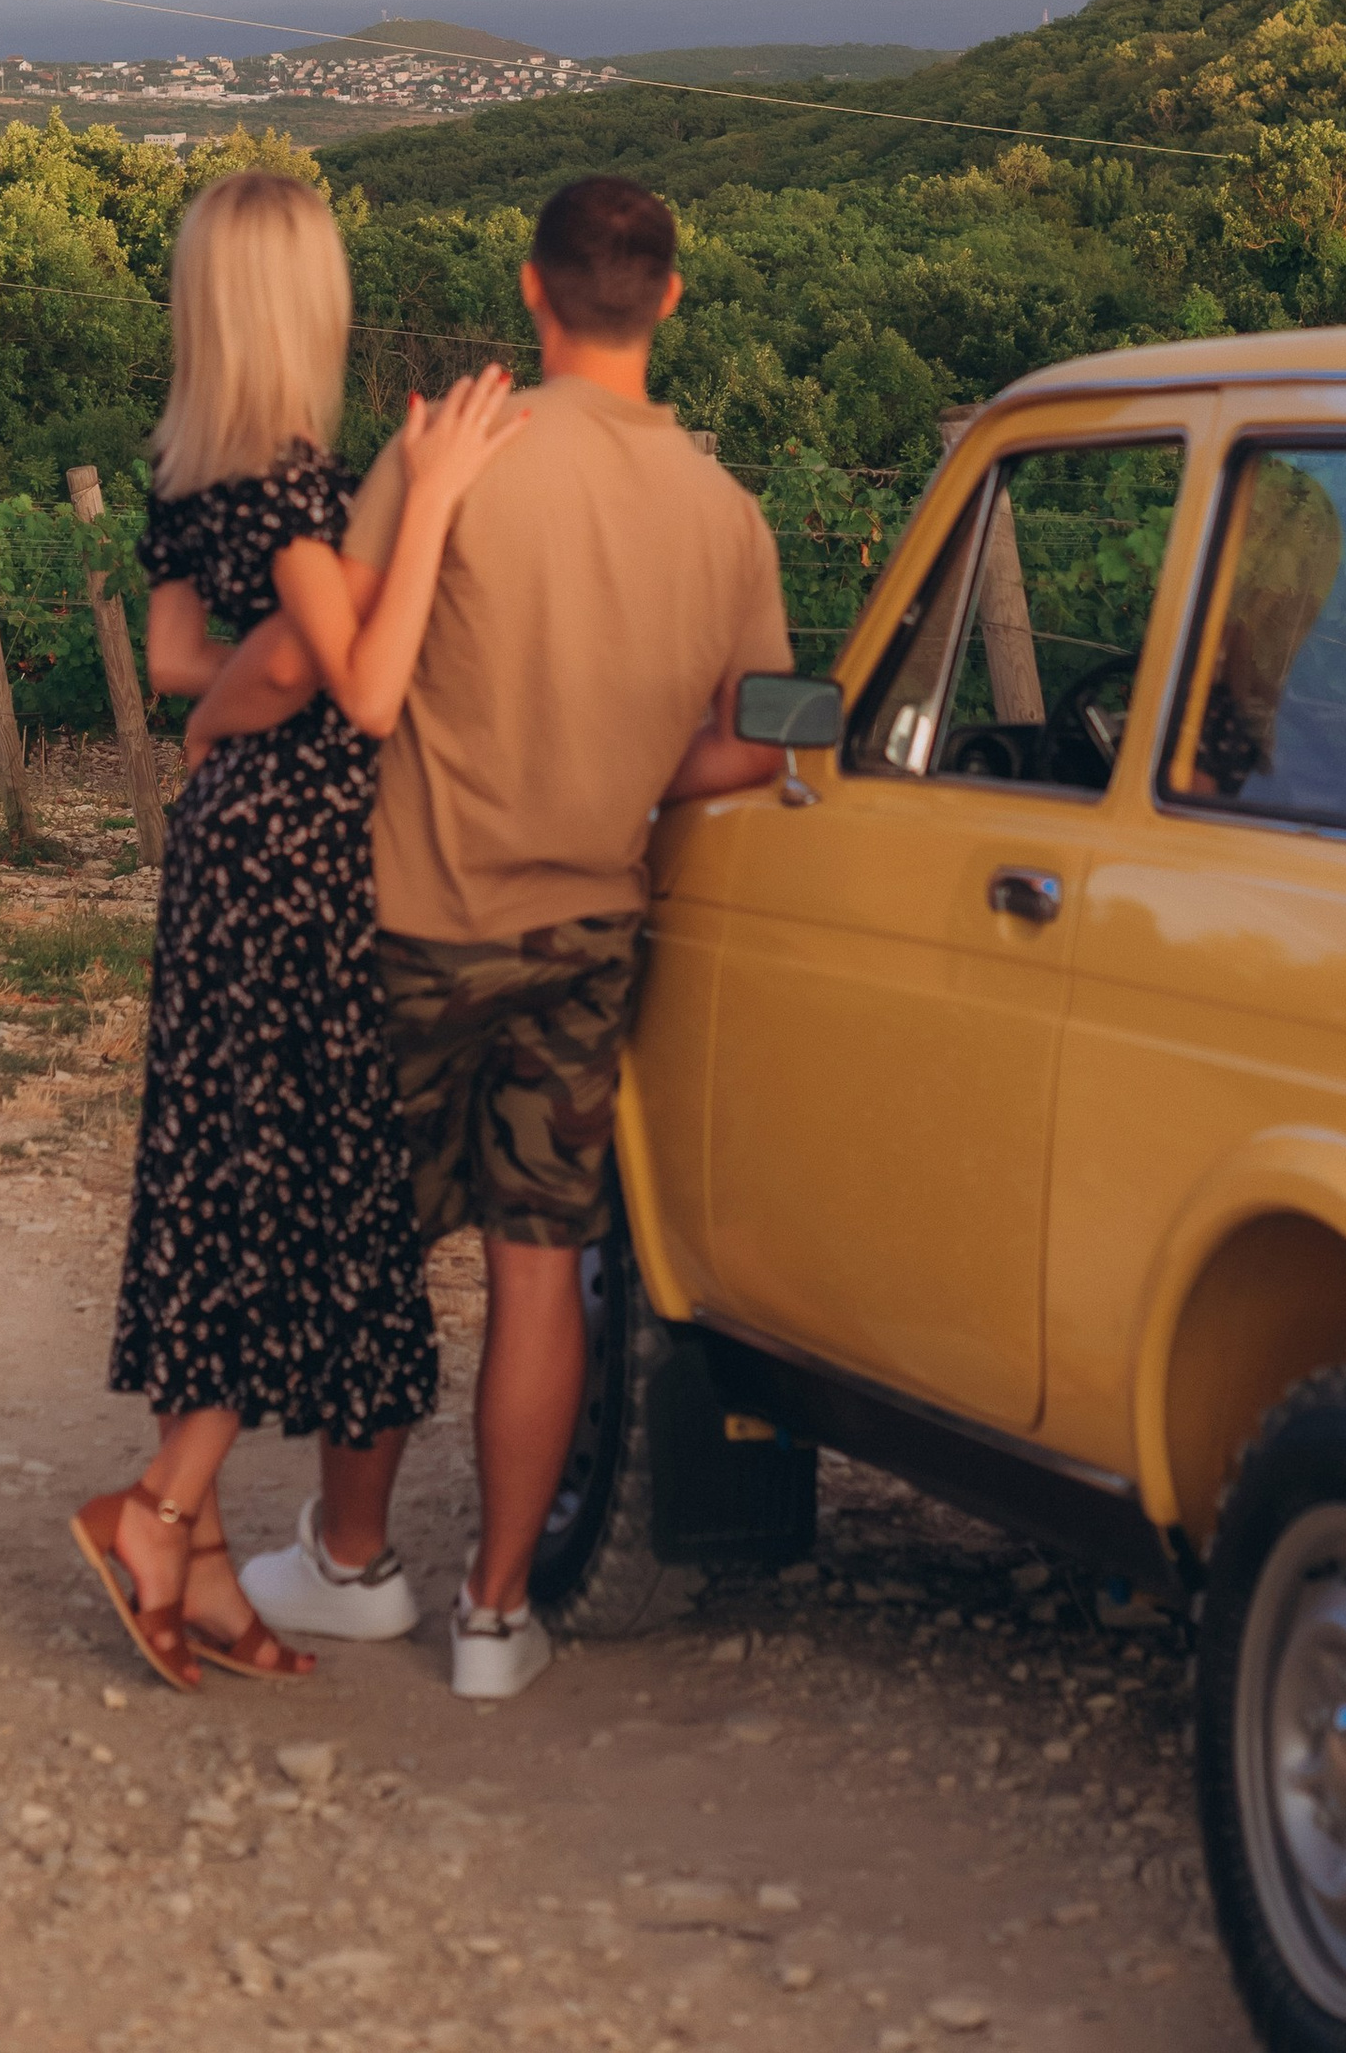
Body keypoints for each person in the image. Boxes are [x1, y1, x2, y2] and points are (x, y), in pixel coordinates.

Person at [190, 173, 795, 1699]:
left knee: (375, 1255)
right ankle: (497, 1616)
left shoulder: (456, 453)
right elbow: (753, 743)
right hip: (588, 924)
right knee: (541, 1264)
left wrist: (207, 702)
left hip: (412, 919)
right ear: (670, 297)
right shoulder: (729, 515)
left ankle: (350, 1560)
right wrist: (630, 760)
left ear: (533, 293)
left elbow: (330, 649)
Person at [72, 165, 528, 1692]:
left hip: (227, 847)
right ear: (300, 302)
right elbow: (376, 689)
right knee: (280, 1191)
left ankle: (197, 1559)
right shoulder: (280, 481)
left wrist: (257, 683)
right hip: (295, 863)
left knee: (222, 1171)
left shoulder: (198, 468)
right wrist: (434, 501)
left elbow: (175, 659)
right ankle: (157, 1513)